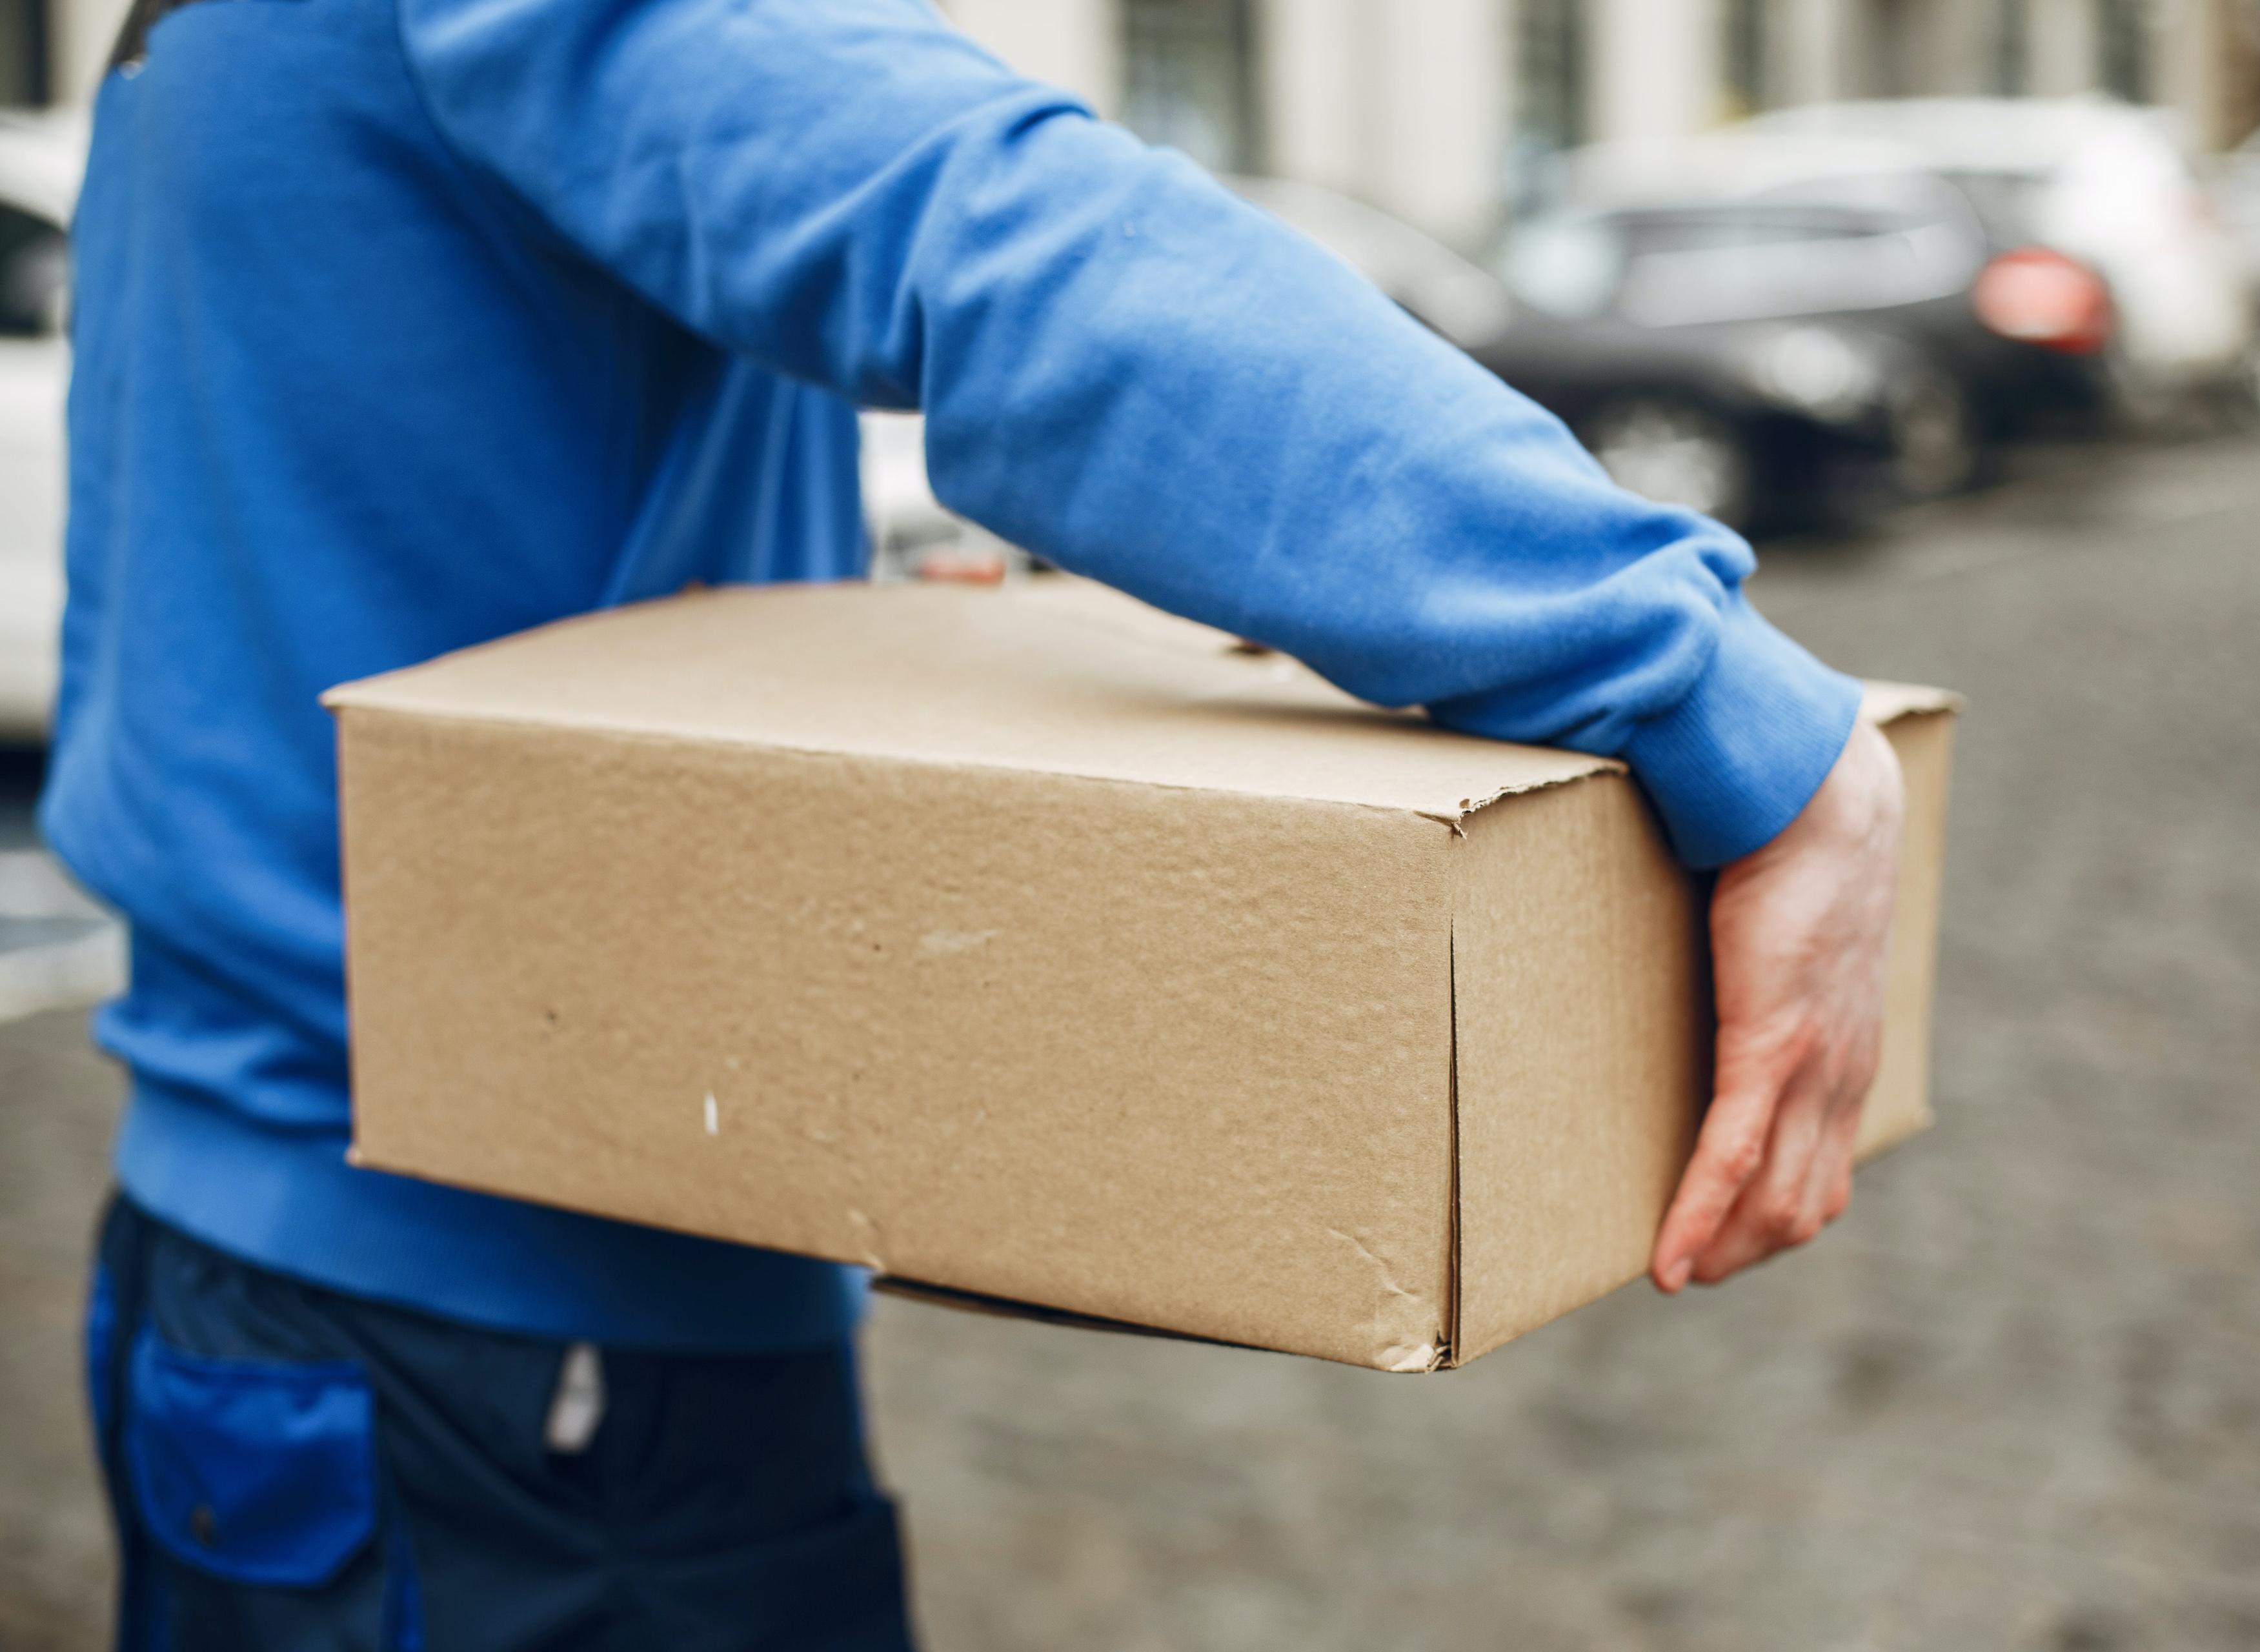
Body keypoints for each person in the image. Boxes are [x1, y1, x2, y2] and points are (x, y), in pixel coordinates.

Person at [50, 0, 1904, 1645]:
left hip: (239, 1273)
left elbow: (369, 517)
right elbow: (1014, 246)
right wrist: (1721, 699)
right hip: (516, 1360)